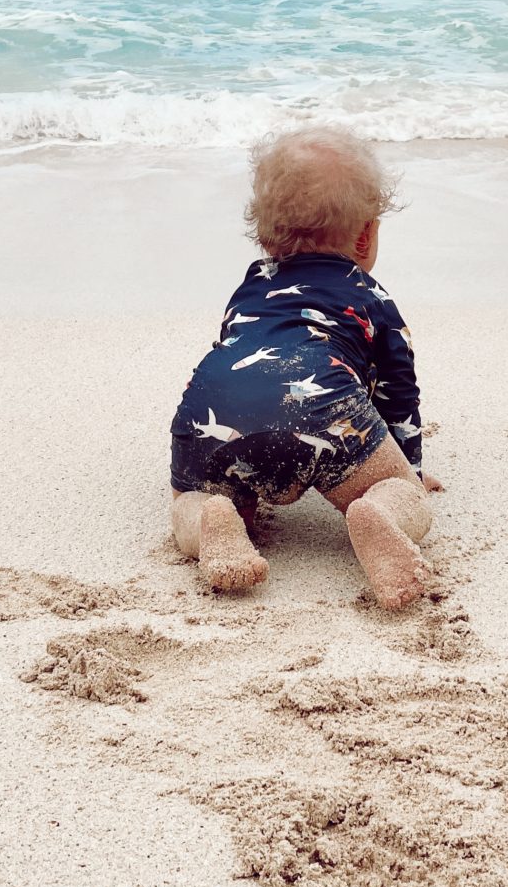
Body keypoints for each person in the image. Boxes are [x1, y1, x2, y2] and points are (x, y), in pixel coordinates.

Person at [169, 126, 441, 609]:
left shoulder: (251, 284)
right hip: (319, 408)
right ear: (366, 233)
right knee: (397, 489)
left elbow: (231, 341)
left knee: (188, 499)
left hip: (211, 405)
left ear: (264, 232)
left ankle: (212, 517)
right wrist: (409, 469)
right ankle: (379, 512)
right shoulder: (370, 297)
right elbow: (398, 394)